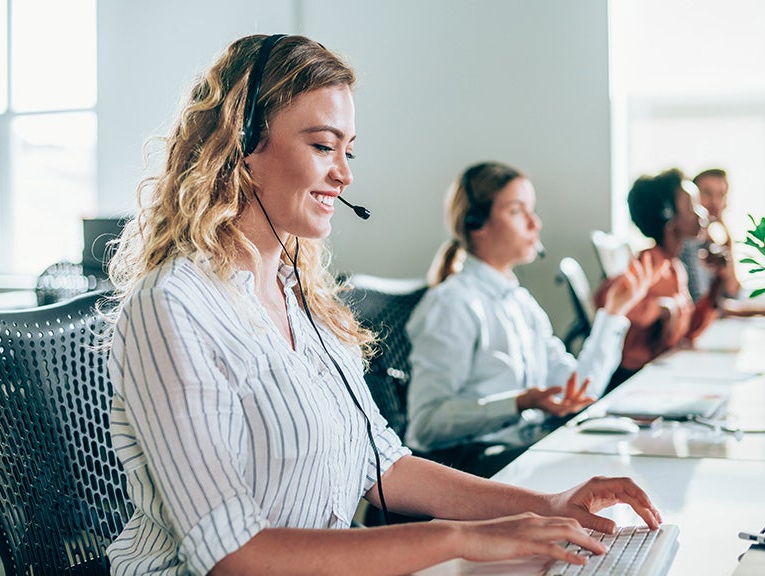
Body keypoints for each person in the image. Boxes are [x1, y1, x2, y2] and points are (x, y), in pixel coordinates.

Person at [104, 35, 661, 576]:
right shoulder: (174, 306)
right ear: (242, 145)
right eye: (323, 146)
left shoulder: (302, 300)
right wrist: (464, 539)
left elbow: (384, 464)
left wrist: (548, 505)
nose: (345, 173)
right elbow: (233, 555)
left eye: (348, 150)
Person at [405, 162, 660, 477]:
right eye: (517, 211)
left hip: (521, 454)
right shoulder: (452, 304)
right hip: (477, 469)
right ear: (476, 222)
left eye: (532, 210)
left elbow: (579, 390)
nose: (535, 223)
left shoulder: (521, 303)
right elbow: (425, 425)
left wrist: (614, 313)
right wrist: (519, 403)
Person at [595, 168, 724, 387]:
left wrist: (718, 281)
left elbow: (689, 332)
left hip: (657, 380)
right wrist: (659, 308)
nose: (701, 213)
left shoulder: (673, 266)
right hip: (630, 383)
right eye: (691, 206)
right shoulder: (649, 264)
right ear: (668, 216)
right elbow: (604, 297)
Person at [679, 168, 741, 302]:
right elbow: (699, 300)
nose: (715, 202)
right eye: (707, 193)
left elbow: (732, 292)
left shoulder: (715, 244)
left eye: (721, 195)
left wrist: (728, 242)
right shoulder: (685, 243)